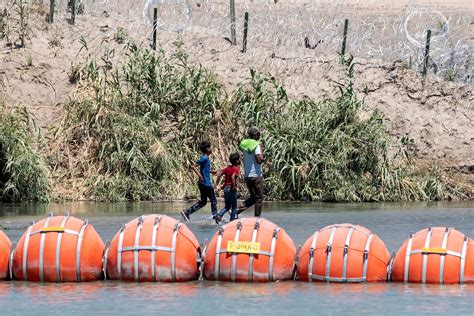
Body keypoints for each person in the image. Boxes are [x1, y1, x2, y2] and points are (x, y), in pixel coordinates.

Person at [181, 140, 217, 222]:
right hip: (206, 183)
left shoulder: (205, 158)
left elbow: (204, 169)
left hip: (202, 183)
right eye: (211, 148)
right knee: (213, 201)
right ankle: (216, 217)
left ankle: (187, 212)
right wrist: (200, 176)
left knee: (203, 202)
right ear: (207, 149)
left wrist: (212, 171)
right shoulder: (204, 158)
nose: (212, 149)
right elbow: (193, 166)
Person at [237, 127, 265, 217]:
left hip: (248, 175)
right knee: (259, 198)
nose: (259, 136)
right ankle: (257, 219)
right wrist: (262, 152)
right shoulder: (256, 145)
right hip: (256, 176)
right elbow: (259, 160)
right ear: (256, 135)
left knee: (253, 198)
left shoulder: (246, 145)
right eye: (258, 134)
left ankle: (236, 210)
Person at [214, 153, 241, 223]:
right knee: (234, 207)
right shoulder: (236, 169)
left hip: (226, 189)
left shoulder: (227, 168)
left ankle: (219, 215)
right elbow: (232, 177)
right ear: (236, 161)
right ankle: (232, 222)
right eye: (238, 159)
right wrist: (234, 187)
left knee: (227, 206)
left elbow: (220, 174)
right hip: (232, 189)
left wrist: (218, 185)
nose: (239, 161)